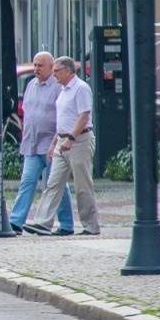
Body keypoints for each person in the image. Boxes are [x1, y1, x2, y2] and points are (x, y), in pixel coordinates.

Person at [21, 56, 99, 236]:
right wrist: (55, 143)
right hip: (62, 142)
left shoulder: (80, 88)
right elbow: (61, 120)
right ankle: (42, 223)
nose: (54, 74)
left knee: (82, 185)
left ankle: (90, 225)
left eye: (56, 71)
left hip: (79, 140)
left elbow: (84, 116)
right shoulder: (63, 90)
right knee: (53, 183)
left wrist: (71, 138)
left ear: (68, 70)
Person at [10, 52, 74, 235]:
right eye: (35, 65)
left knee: (56, 184)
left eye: (40, 65)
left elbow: (63, 116)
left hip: (50, 143)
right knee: (27, 181)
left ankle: (67, 224)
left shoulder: (58, 87)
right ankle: (16, 221)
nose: (36, 68)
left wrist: (58, 141)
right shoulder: (31, 84)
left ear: (51, 66)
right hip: (31, 142)